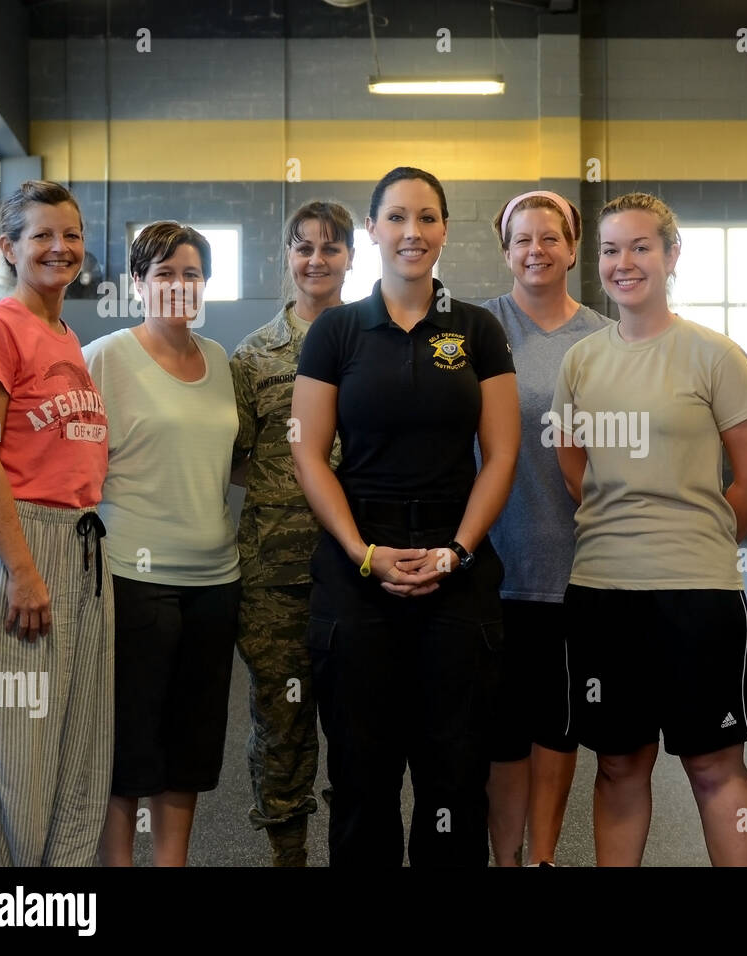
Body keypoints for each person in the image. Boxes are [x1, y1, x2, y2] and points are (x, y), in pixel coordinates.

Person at [292, 166, 519, 867]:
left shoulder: (476, 329)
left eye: (426, 218)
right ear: (373, 230)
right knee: (362, 774)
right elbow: (309, 456)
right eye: (395, 217)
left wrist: (456, 550)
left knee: (453, 775)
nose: (411, 232)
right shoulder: (336, 331)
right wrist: (363, 552)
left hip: (456, 567)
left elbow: (502, 455)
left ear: (445, 229)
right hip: (357, 570)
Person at [553, 192, 747, 866]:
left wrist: (698, 539)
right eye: (612, 250)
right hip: (602, 590)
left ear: (671, 255)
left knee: (713, 767)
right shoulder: (582, 362)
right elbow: (574, 470)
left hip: (697, 597)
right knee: (618, 766)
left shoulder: (714, 355)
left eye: (640, 247)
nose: (624, 263)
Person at [0, 180, 111, 866]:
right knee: (16, 757)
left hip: (77, 545)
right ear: (6, 248)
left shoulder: (66, 335)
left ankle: (58, 905)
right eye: (41, 234)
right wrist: (21, 569)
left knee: (78, 753)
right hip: (14, 542)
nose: (60, 247)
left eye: (70, 234)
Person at [84, 221, 241, 867]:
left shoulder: (220, 361)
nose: (180, 285)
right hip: (133, 573)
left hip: (215, 577)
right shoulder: (106, 356)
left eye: (192, 273)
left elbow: (226, 460)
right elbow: (75, 463)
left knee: (191, 745)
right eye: (165, 273)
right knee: (130, 744)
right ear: (138, 283)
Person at [479, 190, 612, 867]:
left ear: (571, 246)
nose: (536, 250)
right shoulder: (476, 329)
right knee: (503, 734)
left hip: (572, 566)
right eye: (522, 239)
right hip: (491, 566)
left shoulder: (601, 336)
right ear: (506, 250)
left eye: (549, 238)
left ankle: (542, 859)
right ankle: (506, 859)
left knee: (558, 729)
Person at [229, 201, 354, 866]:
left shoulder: (379, 341)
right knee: (281, 726)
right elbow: (238, 459)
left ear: (350, 259)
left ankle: (351, 849)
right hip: (275, 575)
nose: (316, 260)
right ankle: (287, 857)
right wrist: (296, 490)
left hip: (361, 571)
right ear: (287, 256)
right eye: (303, 247)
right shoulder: (254, 356)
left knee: (359, 728)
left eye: (331, 248)